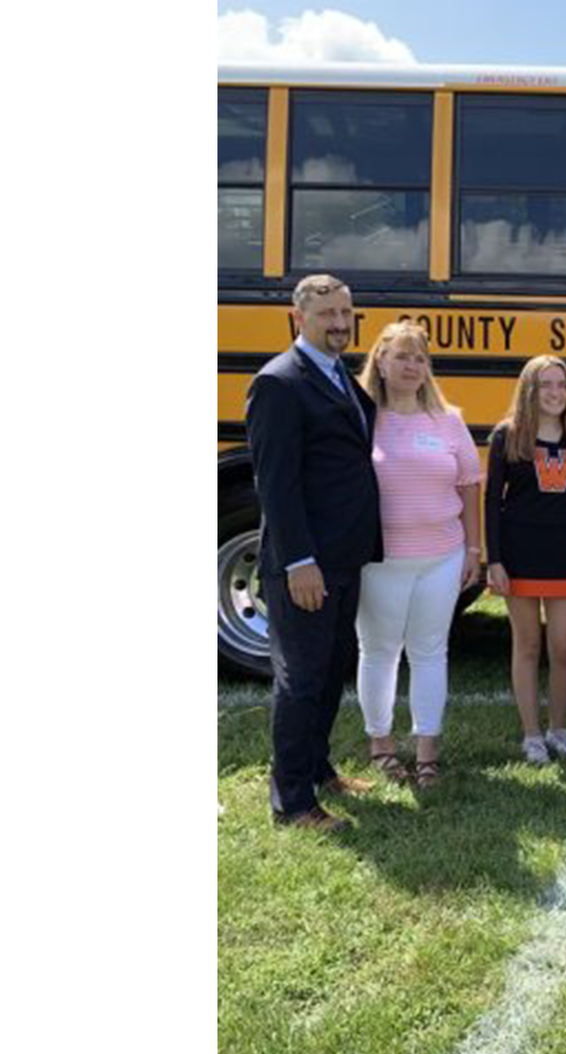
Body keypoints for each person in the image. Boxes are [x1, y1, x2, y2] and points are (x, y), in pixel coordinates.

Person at [245, 274, 383, 831]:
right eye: (327, 314)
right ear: (297, 317)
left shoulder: (340, 376)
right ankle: (293, 802)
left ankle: (319, 768)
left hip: (344, 556)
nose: (339, 323)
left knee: (331, 669)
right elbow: (275, 484)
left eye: (346, 313)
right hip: (307, 562)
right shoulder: (280, 382)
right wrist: (299, 560)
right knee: (301, 677)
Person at [352, 321, 482, 790]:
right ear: (380, 362)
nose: (411, 366)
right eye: (402, 356)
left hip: (442, 557)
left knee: (430, 652)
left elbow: (470, 484)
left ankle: (427, 750)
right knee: (379, 651)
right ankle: (381, 746)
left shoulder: (447, 420)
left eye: (420, 358)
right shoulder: (360, 418)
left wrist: (473, 547)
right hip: (379, 557)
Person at [484, 355, 566, 764]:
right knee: (528, 644)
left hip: (563, 554)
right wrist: (494, 560)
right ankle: (532, 735)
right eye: (545, 385)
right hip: (520, 554)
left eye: (561, 385)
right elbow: (492, 502)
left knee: (564, 647)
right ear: (529, 391)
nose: (554, 393)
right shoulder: (508, 435)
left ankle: (559, 729)